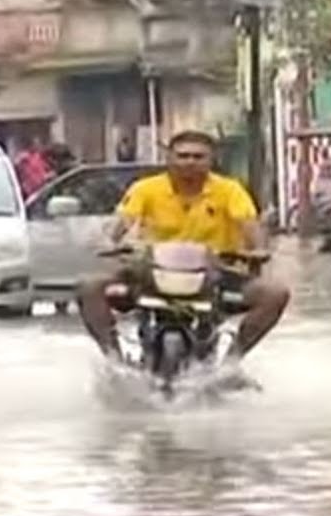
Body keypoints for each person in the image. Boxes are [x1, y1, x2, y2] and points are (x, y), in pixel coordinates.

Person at [78, 130, 291, 361]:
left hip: (215, 273)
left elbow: (251, 226)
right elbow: (119, 224)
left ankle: (232, 360)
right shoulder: (145, 189)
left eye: (198, 157)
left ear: (212, 160)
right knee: (89, 287)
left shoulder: (230, 190)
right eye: (183, 155)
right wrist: (109, 242)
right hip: (151, 272)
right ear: (169, 158)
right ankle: (114, 358)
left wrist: (257, 250)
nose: (190, 162)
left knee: (275, 294)